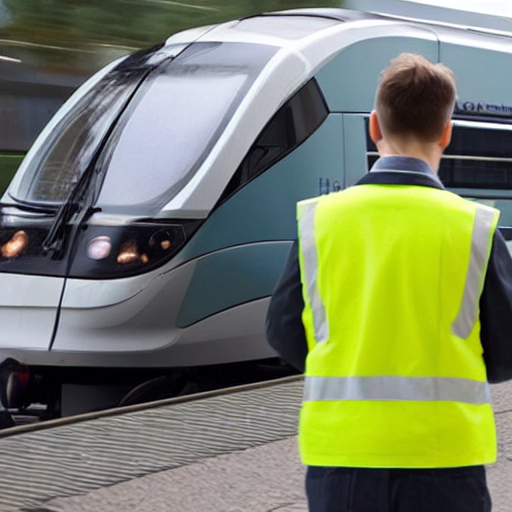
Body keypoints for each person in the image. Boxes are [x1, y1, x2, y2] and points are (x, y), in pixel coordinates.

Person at [266, 52, 512, 512]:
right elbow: (506, 352)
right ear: (447, 132)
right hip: (444, 460)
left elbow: (282, 332)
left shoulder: (320, 223)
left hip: (341, 458)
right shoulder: (475, 227)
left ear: (374, 126)